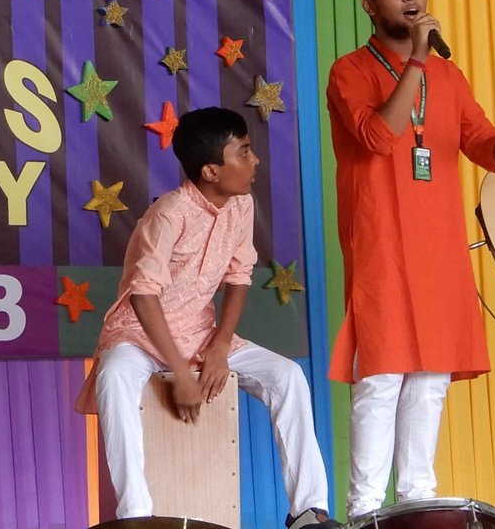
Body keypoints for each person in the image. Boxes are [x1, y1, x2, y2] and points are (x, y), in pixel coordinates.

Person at [326, 0, 495, 516]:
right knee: (382, 373)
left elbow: (486, 149)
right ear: (368, 5)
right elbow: (378, 138)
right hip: (381, 241)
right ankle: (365, 512)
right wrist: (417, 60)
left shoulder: (449, 76)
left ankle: (417, 503)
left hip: (438, 245)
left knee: (430, 376)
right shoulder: (349, 71)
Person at [77, 106, 341, 528]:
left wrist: (218, 347)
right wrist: (182, 373)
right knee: (114, 375)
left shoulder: (242, 205)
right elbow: (143, 296)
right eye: (244, 152)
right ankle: (136, 515)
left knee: (288, 376)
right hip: (140, 335)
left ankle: (308, 512)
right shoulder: (169, 213)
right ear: (211, 171)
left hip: (201, 334)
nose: (255, 161)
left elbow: (239, 276)